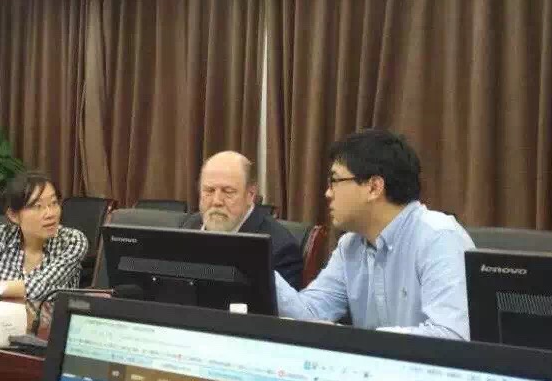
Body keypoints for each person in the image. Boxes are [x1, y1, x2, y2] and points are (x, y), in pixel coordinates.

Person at [275, 129, 475, 339]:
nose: (328, 193)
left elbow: (451, 335)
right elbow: (311, 314)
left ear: (374, 187)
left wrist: (360, 341)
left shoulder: (439, 237)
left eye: (335, 181)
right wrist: (260, 269)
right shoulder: (350, 245)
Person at [181, 151, 304, 288]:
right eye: (209, 191)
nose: (216, 201)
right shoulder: (188, 227)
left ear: (250, 194)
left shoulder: (279, 249)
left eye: (228, 192)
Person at [0, 172, 88, 301]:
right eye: (38, 206)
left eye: (54, 203)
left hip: (48, 313)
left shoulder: (72, 241)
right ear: (13, 215)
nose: (50, 214)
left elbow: (40, 288)